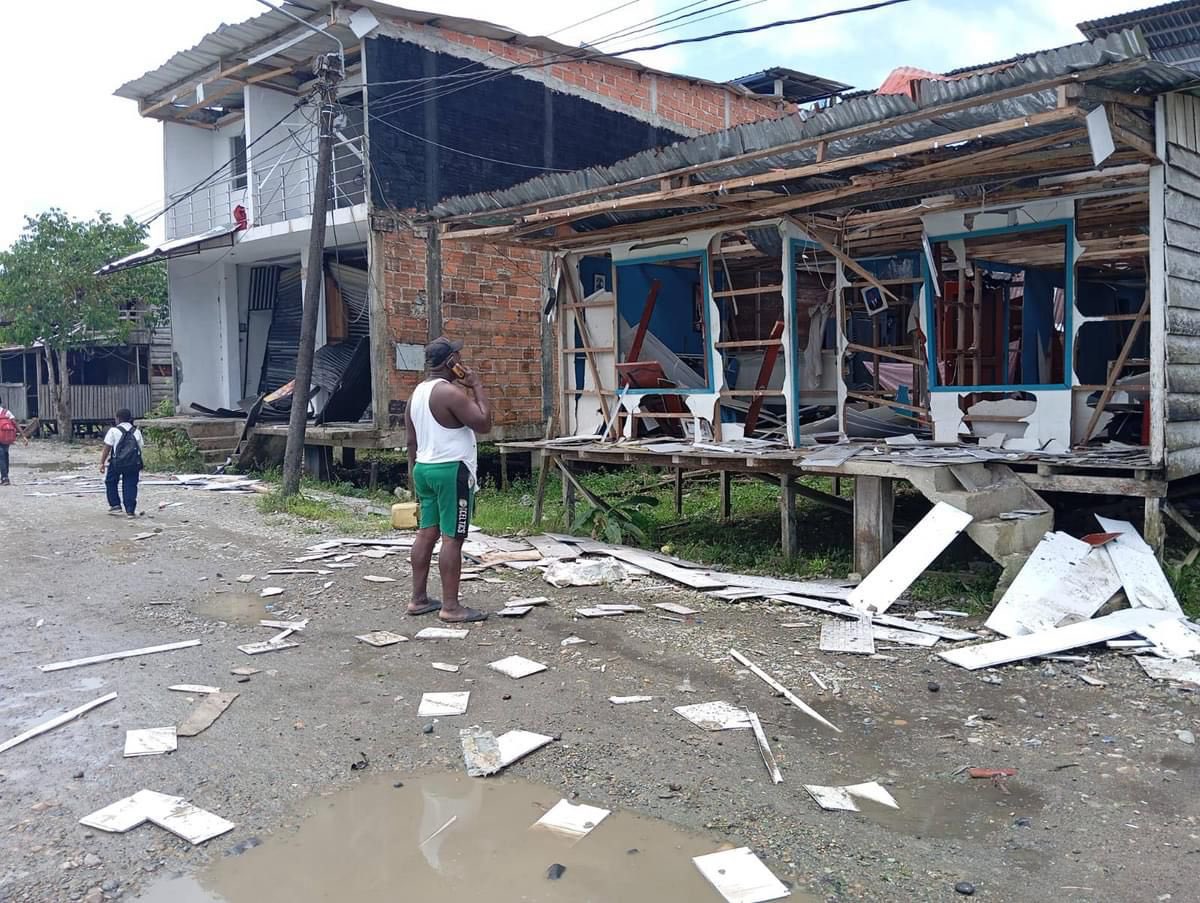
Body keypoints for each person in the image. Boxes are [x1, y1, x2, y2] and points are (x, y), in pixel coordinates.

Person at [406, 336, 492, 623]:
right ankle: (451, 607)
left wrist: (415, 477)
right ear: (450, 362)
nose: (462, 361)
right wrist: (476, 385)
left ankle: (418, 599)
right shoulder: (449, 393)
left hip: (424, 469)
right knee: (452, 538)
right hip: (450, 471)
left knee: (426, 533)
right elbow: (483, 423)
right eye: (458, 356)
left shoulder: (416, 393)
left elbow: (410, 440)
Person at [100, 408, 144, 517]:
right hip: (133, 463)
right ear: (129, 419)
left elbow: (107, 448)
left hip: (117, 463)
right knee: (130, 484)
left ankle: (115, 505)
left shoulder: (113, 431)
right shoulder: (136, 431)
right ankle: (130, 510)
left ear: (118, 418)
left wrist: (102, 462)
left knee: (110, 481)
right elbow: (140, 447)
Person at [0, 396, 29, 486]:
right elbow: (15, 424)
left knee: (1, 457)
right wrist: (24, 436)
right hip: (6, 438)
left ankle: (5, 478)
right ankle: (5, 477)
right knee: (5, 455)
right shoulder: (6, 412)